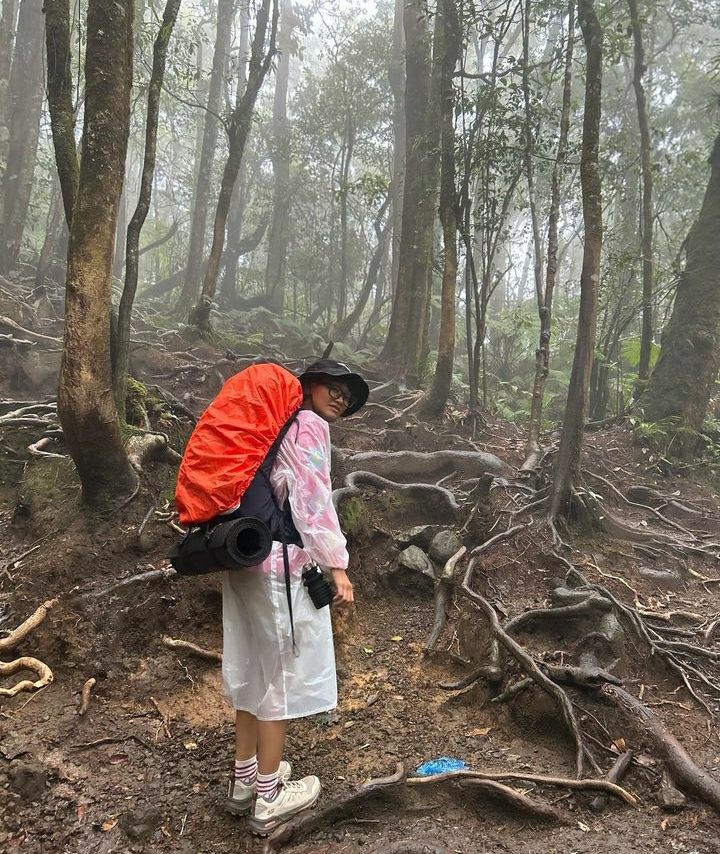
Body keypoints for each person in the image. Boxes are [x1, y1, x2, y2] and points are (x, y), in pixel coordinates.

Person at [222, 359, 369, 835]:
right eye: (334, 387)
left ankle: (244, 782)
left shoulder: (272, 428)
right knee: (280, 677)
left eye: (348, 396)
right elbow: (312, 497)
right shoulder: (306, 425)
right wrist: (337, 563)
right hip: (279, 565)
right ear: (306, 388)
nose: (341, 397)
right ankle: (269, 797)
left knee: (251, 667)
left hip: (243, 557)